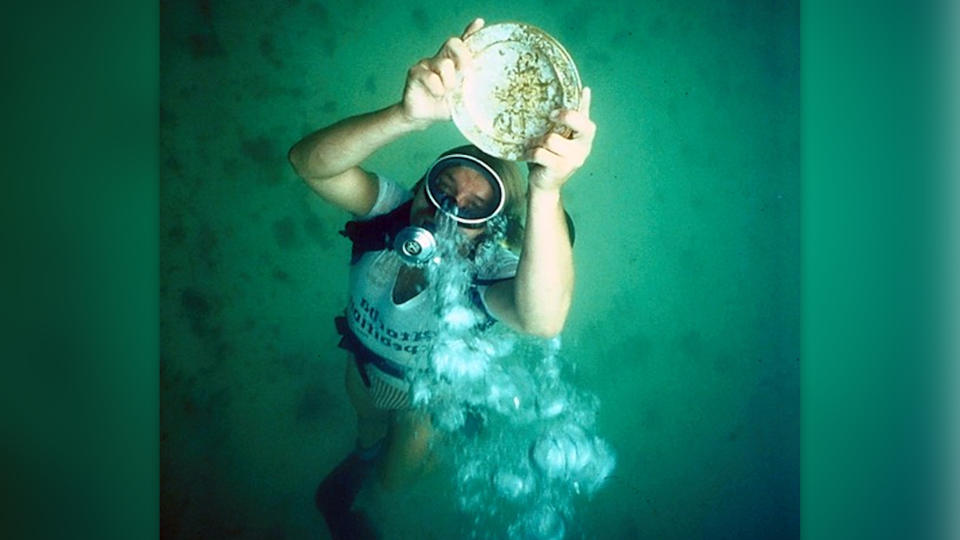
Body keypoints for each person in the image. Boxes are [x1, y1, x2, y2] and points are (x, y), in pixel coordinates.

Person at [287, 17, 595, 539]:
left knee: (393, 482)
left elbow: (541, 319)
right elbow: (310, 164)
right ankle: (361, 458)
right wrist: (405, 117)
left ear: (494, 227)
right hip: (363, 367)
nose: (449, 210)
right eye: (443, 187)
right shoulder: (390, 214)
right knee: (365, 432)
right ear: (420, 186)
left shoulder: (486, 275)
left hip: (423, 401)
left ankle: (401, 472)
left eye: (478, 206)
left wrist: (546, 190)